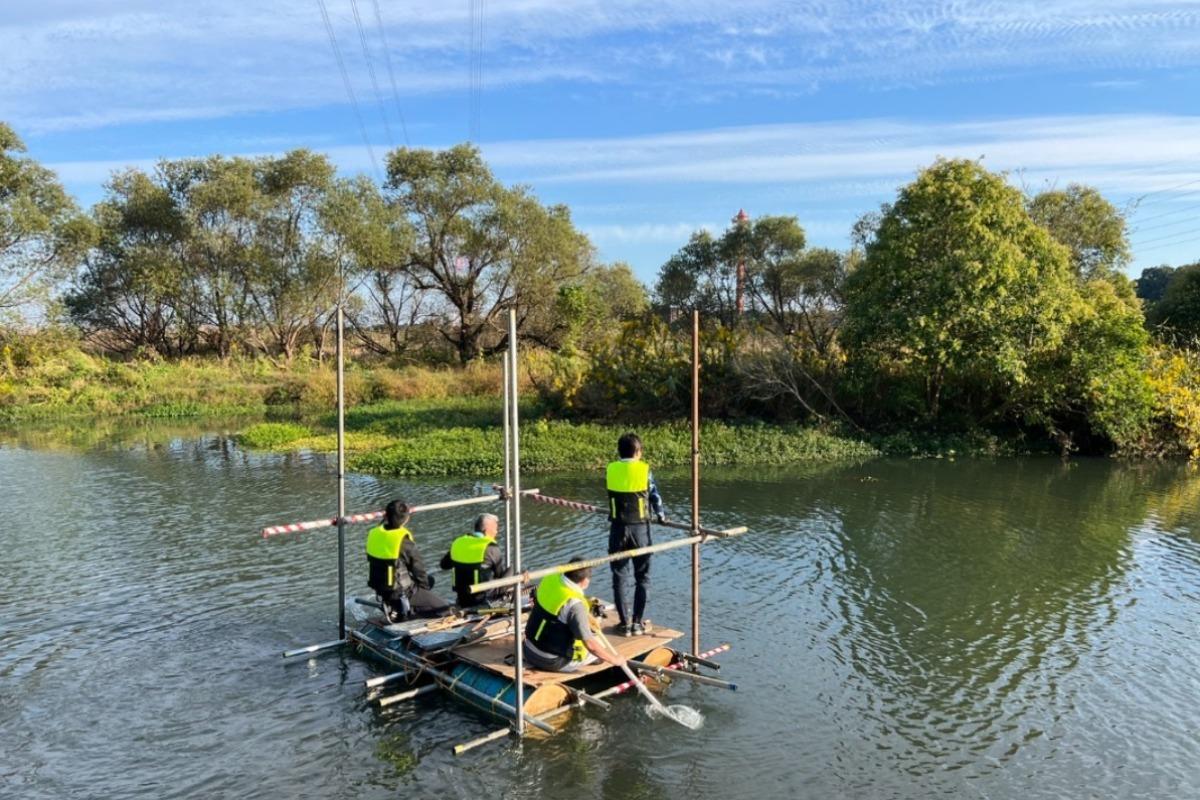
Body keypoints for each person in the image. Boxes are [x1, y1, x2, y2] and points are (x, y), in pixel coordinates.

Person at [606, 432, 665, 636]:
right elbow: (654, 495)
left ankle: (624, 624)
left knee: (619, 577)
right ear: (638, 451)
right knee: (643, 577)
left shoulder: (611, 469)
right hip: (640, 529)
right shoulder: (644, 469)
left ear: (619, 451)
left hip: (618, 529)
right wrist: (661, 514)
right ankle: (637, 623)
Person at [522, 560, 627, 673]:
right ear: (585, 581)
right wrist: (615, 660)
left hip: (528, 648)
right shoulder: (574, 604)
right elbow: (590, 645)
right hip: (552, 661)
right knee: (599, 651)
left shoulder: (550, 578)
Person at [364, 500, 451, 621]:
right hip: (400, 592)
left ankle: (401, 607)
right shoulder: (402, 540)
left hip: (380, 588)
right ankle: (410, 615)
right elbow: (418, 569)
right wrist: (424, 590)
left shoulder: (374, 533)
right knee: (445, 608)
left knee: (430, 580)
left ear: (386, 515)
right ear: (406, 519)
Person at [440, 513, 510, 608]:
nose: (496, 532)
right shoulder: (491, 548)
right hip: (482, 598)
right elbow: (499, 575)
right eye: (495, 529)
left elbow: (444, 565)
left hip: (462, 598)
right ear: (487, 531)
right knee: (514, 568)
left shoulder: (458, 542)